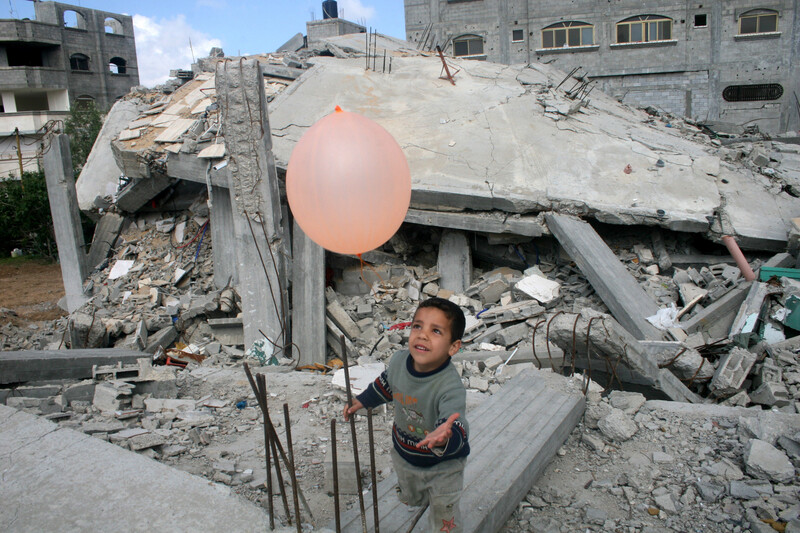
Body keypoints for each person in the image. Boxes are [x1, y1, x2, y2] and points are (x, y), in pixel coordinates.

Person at [344, 297, 469, 533]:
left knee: (444, 514)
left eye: (436, 331)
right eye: (417, 326)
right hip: (405, 453)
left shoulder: (449, 387)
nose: (422, 335)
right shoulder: (400, 361)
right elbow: (386, 385)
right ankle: (416, 496)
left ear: (453, 347)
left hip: (444, 465)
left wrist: (446, 436)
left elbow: (457, 422)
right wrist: (363, 400)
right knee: (410, 493)